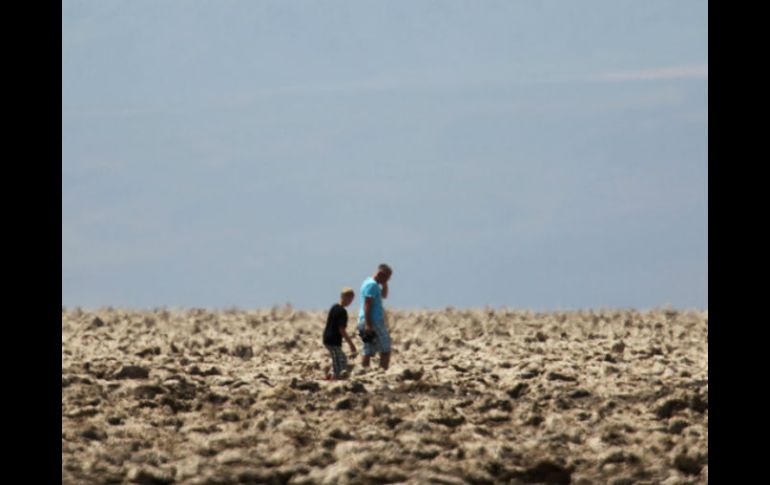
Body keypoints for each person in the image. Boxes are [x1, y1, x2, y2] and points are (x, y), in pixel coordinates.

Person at [357, 264, 393, 370]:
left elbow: (384, 295)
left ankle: (365, 372)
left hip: (366, 320)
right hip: (373, 321)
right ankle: (383, 372)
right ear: (380, 274)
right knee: (386, 347)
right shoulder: (372, 285)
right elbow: (367, 303)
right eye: (387, 277)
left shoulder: (371, 283)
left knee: (368, 349)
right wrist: (369, 324)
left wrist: (385, 282)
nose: (388, 280)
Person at [323, 288, 357, 380]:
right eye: (349, 299)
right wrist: (351, 344)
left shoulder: (334, 307)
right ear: (343, 297)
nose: (350, 302)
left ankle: (329, 375)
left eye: (351, 299)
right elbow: (341, 329)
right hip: (332, 340)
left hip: (328, 338)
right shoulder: (342, 311)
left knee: (340, 358)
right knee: (340, 360)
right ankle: (335, 378)